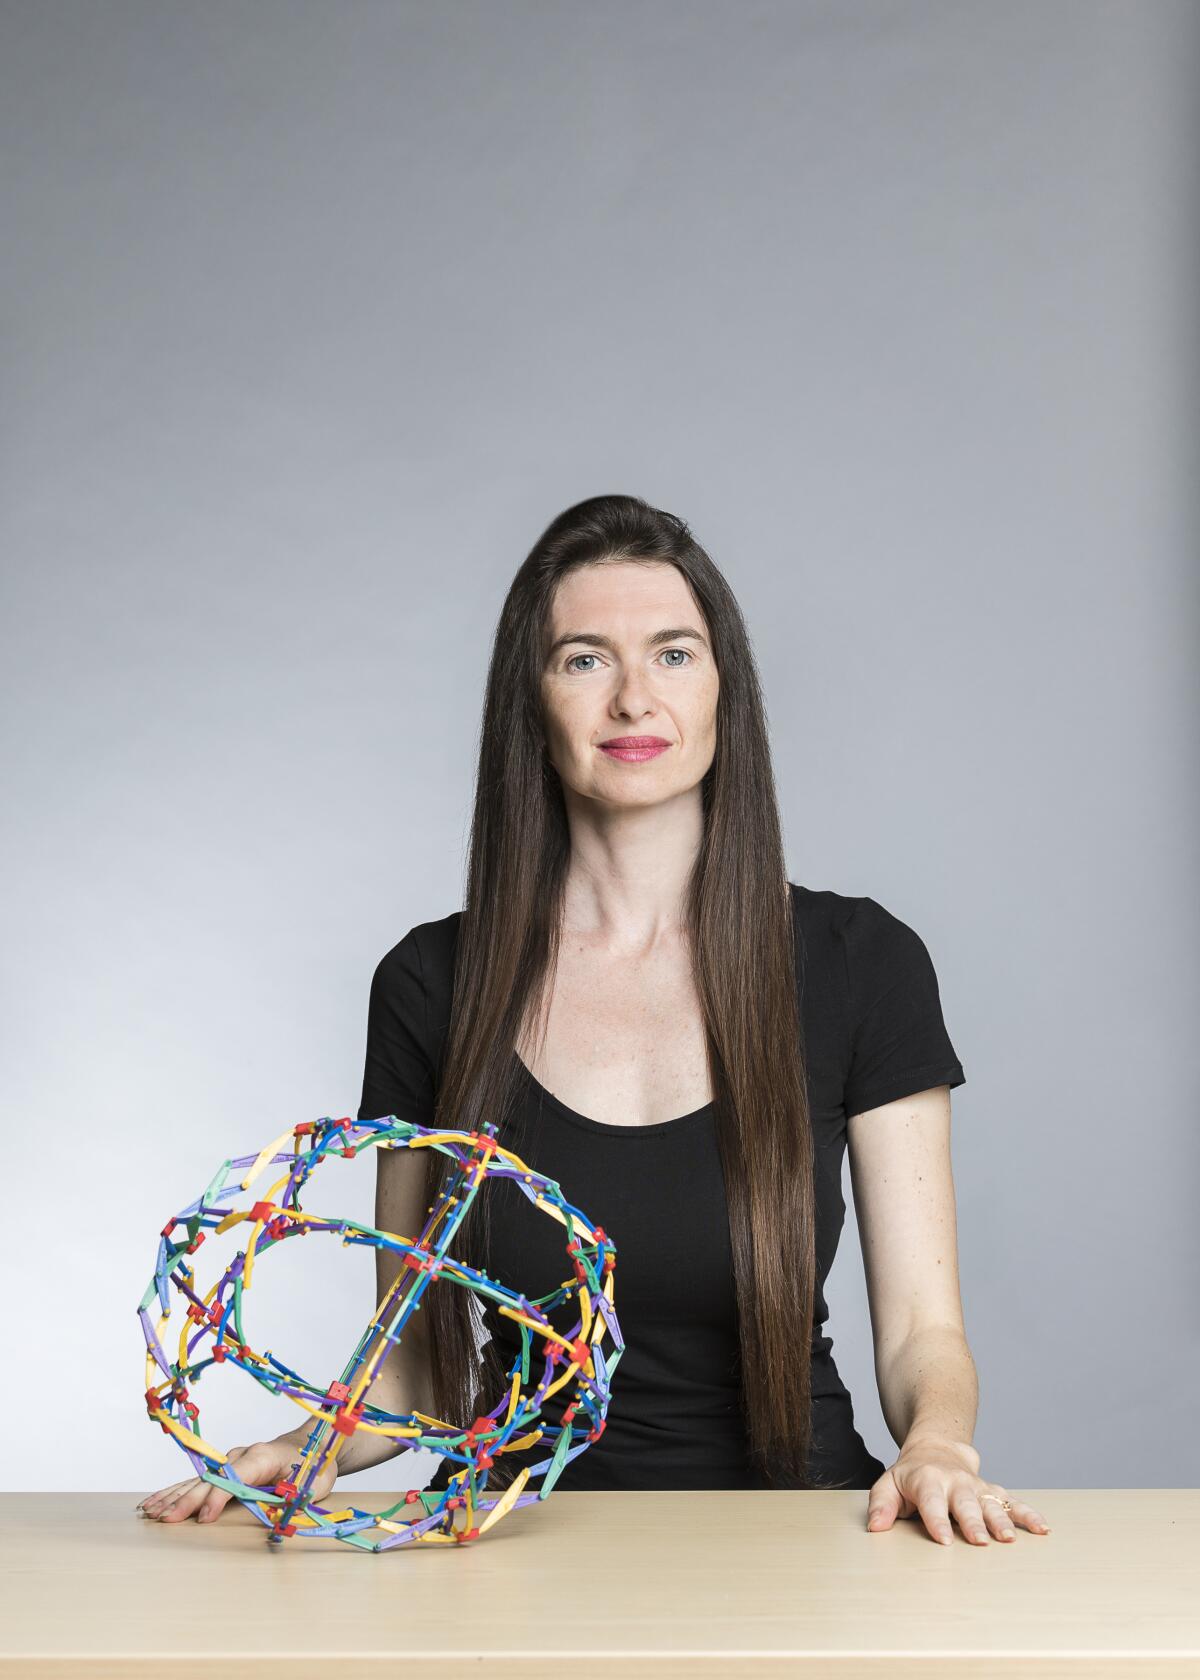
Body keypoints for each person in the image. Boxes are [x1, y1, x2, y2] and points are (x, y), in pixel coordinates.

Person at [137, 493, 1050, 1547]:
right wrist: (310, 1443)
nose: (631, 699)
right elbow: (416, 1356)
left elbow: (922, 1336)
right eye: (583, 660)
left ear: (723, 691)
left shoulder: (863, 963)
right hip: (513, 1555)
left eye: (672, 655)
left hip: (806, 1544)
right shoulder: (434, 983)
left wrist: (937, 1444)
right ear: (531, 700)